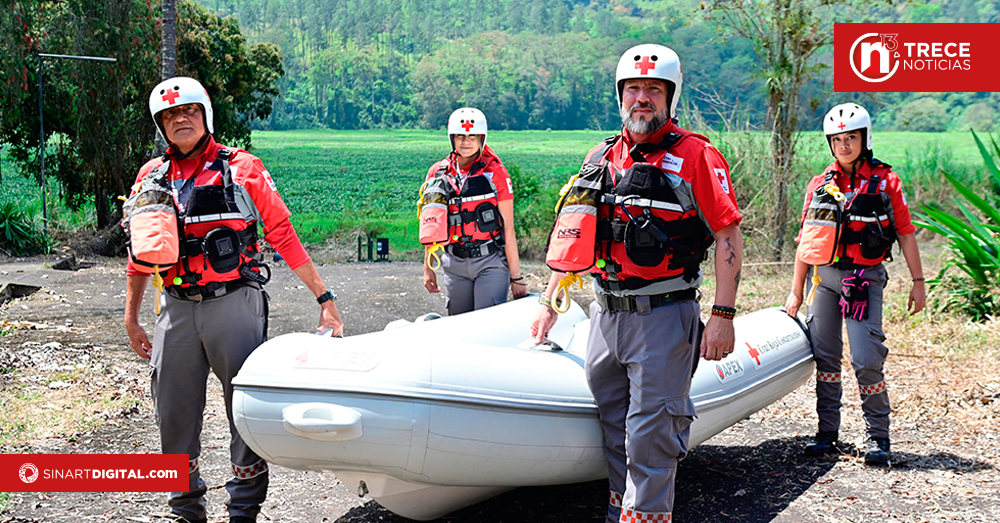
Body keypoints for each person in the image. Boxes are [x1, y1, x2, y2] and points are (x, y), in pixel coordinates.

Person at [531, 44, 743, 523]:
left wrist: (723, 316)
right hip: (605, 314)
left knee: (651, 435)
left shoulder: (696, 157)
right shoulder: (599, 157)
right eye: (633, 89)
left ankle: (646, 516)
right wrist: (549, 301)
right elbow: (574, 231)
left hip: (664, 315)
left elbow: (728, 233)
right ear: (620, 96)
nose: (641, 98)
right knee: (612, 426)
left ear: (670, 96)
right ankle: (617, 511)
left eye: (653, 89)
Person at [123, 77, 345, 523]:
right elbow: (139, 254)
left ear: (205, 114)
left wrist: (324, 297)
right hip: (177, 306)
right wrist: (132, 318)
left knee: (243, 406)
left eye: (188, 111)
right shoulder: (151, 177)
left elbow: (282, 233)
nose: (179, 119)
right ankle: (186, 510)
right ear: (160, 125)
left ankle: (243, 510)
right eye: (169, 115)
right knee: (173, 411)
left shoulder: (241, 168)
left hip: (234, 303)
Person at [784, 102, 925, 466]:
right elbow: (807, 240)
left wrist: (918, 281)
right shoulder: (819, 185)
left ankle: (878, 436)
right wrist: (796, 290)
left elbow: (906, 234)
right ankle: (827, 433)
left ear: (865, 139)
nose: (844, 145)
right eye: (837, 139)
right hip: (825, 279)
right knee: (826, 357)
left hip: (863, 281)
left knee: (865, 359)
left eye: (851, 138)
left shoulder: (886, 182)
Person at [418, 107, 527, 314]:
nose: (465, 142)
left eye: (472, 136)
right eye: (460, 136)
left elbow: (509, 230)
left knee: (486, 326)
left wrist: (517, 277)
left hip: (490, 263)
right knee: (458, 326)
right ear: (452, 138)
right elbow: (431, 226)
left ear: (481, 139)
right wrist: (428, 269)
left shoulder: (496, 174)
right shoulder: (437, 173)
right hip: (454, 264)